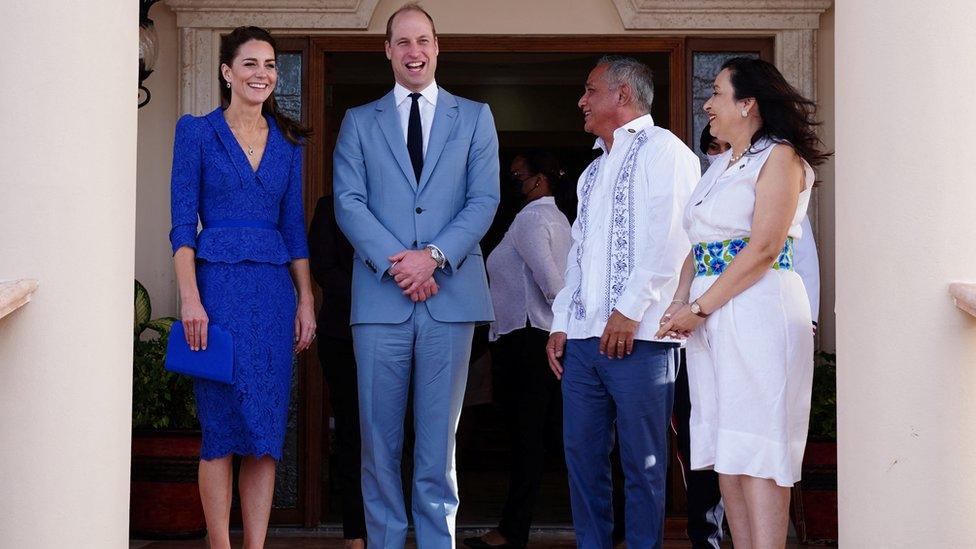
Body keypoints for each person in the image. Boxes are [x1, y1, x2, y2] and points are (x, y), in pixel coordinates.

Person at [331, 3, 500, 547]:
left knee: (437, 447)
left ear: (437, 46)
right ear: (387, 50)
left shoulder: (475, 117)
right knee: (378, 446)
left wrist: (432, 256)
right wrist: (400, 264)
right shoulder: (360, 120)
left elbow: (484, 200)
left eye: (422, 40)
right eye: (402, 42)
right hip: (381, 301)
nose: (414, 51)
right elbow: (349, 203)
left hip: (449, 298)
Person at [657, 57, 831, 548]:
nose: (707, 104)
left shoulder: (781, 158)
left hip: (758, 311)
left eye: (716, 92)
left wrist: (700, 307)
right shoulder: (720, 166)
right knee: (724, 448)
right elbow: (698, 245)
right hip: (709, 317)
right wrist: (678, 300)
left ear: (747, 103)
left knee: (761, 448)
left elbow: (764, 248)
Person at [169, 26, 316, 549]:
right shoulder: (197, 132)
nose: (263, 74)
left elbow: (294, 229)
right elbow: (182, 226)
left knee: (264, 433)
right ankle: (219, 545)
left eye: (270, 65)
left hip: (274, 297)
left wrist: (306, 300)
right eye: (251, 64)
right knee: (220, 431)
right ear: (227, 73)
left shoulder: (288, 144)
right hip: (216, 295)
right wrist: (190, 298)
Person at [546, 56, 700, 548]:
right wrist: (561, 322)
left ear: (623, 95)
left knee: (644, 465)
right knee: (583, 462)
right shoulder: (591, 172)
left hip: (645, 340)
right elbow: (580, 252)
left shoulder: (667, 152)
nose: (581, 101)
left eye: (590, 90)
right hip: (585, 342)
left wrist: (630, 311)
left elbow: (672, 240)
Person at [466, 152, 572, 549]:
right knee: (543, 438)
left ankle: (512, 531)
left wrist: (565, 325)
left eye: (516, 176)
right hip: (539, 338)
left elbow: (552, 284)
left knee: (526, 440)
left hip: (527, 339)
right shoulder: (559, 218)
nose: (511, 183)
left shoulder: (530, 220)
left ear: (540, 179)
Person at [308, 196, 366, 549]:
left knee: (400, 435)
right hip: (342, 334)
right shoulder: (330, 206)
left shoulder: (399, 200)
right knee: (351, 432)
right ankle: (355, 533)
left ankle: (395, 527)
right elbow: (324, 268)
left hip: (398, 333)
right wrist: (373, 294)